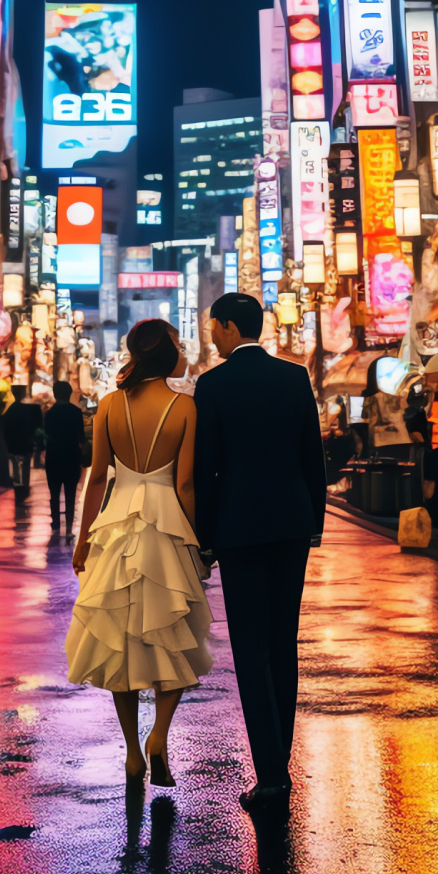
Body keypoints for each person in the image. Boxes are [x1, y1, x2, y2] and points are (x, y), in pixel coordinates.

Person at [194, 291, 325, 813]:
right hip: (292, 522)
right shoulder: (294, 378)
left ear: (228, 327)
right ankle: (279, 762)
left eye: (213, 326)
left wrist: (205, 537)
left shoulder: (213, 384)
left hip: (239, 526)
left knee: (251, 647)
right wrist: (313, 521)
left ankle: (270, 774)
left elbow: (206, 468)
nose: (211, 334)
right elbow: (312, 454)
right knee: (283, 639)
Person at [67, 320, 211, 787]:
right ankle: (159, 737)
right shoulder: (185, 407)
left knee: (120, 643)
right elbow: (186, 483)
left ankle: (131, 752)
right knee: (174, 636)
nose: (182, 349)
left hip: (117, 526)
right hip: (169, 527)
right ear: (163, 353)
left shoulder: (109, 405)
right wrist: (198, 541)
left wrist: (84, 538)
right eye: (177, 343)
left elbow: (97, 478)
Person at [44, 378, 86, 534]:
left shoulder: (49, 415)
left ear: (55, 395)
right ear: (69, 394)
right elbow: (81, 437)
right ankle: (69, 525)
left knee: (54, 493)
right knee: (71, 493)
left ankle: (55, 524)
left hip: (53, 458)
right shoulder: (76, 413)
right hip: (72, 457)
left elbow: (45, 437)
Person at [1, 382, 43, 503]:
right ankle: (24, 485)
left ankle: (18, 485)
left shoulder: (11, 410)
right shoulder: (31, 409)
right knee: (25, 464)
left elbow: (5, 426)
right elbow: (37, 425)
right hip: (26, 441)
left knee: (15, 463)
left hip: (13, 442)